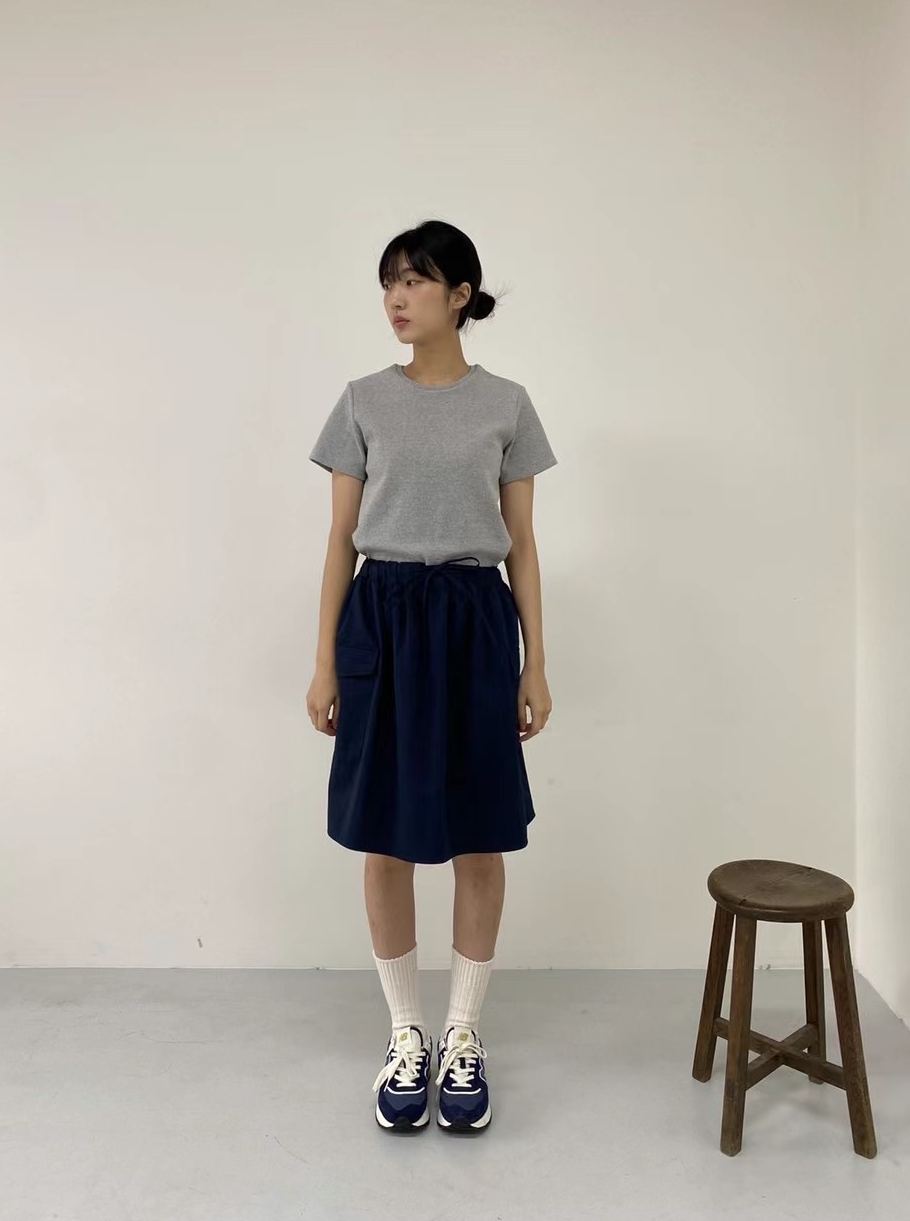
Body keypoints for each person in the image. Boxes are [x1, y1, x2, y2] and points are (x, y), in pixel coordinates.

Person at [306, 219, 558, 1135]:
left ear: (460, 295)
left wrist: (536, 660)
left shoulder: (508, 405)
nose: (397, 298)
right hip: (382, 618)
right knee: (386, 834)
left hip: (473, 620)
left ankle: (462, 1034)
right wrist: (325, 659)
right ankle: (405, 1032)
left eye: (415, 280)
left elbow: (522, 544)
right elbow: (340, 539)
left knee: (480, 832)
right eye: (388, 282)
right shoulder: (363, 401)